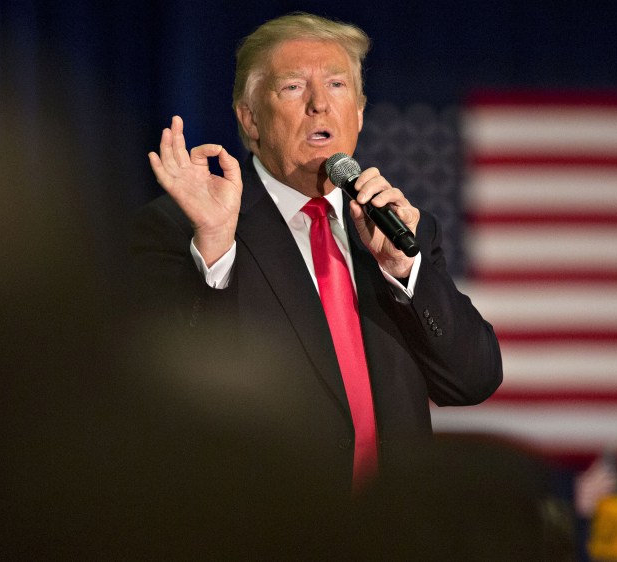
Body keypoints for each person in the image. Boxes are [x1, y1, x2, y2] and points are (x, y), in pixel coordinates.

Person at [133, 12, 502, 499]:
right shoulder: (187, 227)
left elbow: (472, 380)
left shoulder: (399, 229)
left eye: (337, 85)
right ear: (249, 118)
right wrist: (218, 249)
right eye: (292, 87)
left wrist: (404, 270)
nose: (319, 105)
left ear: (361, 113)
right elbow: (169, 401)